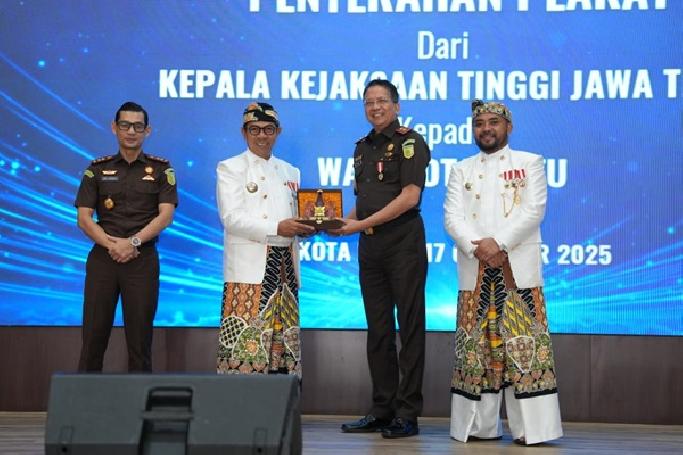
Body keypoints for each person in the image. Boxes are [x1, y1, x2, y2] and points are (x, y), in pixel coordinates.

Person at [443, 100, 563, 444]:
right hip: (475, 268)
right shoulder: (461, 169)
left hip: (517, 268)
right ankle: (478, 427)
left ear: (508, 127)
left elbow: (534, 210)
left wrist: (499, 244)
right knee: (477, 350)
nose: (486, 128)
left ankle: (531, 430)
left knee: (525, 349)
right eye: (479, 123)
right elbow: (452, 217)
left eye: (493, 122)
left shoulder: (529, 162)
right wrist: (477, 247)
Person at [333, 79, 430, 438]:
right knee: (378, 330)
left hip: (403, 243)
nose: (375, 107)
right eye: (368, 102)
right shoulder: (362, 147)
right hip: (370, 248)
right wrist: (341, 222)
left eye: (382, 101)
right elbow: (365, 200)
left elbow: (409, 197)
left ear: (396, 105)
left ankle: (408, 414)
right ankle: (382, 409)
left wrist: (359, 225)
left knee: (410, 328)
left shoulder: (410, 142)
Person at [75, 101, 177, 372]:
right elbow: (84, 218)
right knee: (93, 338)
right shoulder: (97, 169)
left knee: (140, 341)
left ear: (147, 131)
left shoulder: (161, 169)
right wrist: (113, 245)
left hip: (142, 260)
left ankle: (140, 400)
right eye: (125, 125)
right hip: (103, 259)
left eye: (138, 126)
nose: (131, 131)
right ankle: (85, 398)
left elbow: (166, 216)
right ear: (114, 127)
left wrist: (132, 243)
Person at [215, 102, 314, 376]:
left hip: (285, 268)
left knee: (285, 352)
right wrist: (278, 227)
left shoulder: (290, 171)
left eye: (268, 129)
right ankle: (242, 404)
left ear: (278, 131)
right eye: (255, 129)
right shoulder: (231, 167)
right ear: (244, 132)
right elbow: (231, 218)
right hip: (249, 269)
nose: (262, 135)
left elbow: (296, 217)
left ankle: (282, 402)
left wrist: (307, 226)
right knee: (245, 351)